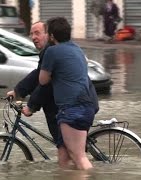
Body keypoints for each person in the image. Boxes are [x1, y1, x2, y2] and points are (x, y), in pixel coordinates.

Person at [39, 17, 99, 170]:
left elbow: (43, 80)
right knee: (63, 157)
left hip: (72, 109)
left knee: (79, 157)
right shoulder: (78, 49)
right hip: (86, 106)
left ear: (51, 36)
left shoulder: (52, 51)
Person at [7, 21, 59, 143]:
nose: (33, 37)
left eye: (37, 33)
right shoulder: (48, 51)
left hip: (61, 108)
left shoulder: (50, 52)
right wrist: (17, 91)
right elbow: (38, 75)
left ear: (48, 34)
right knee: (65, 148)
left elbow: (46, 85)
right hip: (58, 107)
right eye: (31, 34)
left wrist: (31, 106)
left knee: (66, 149)